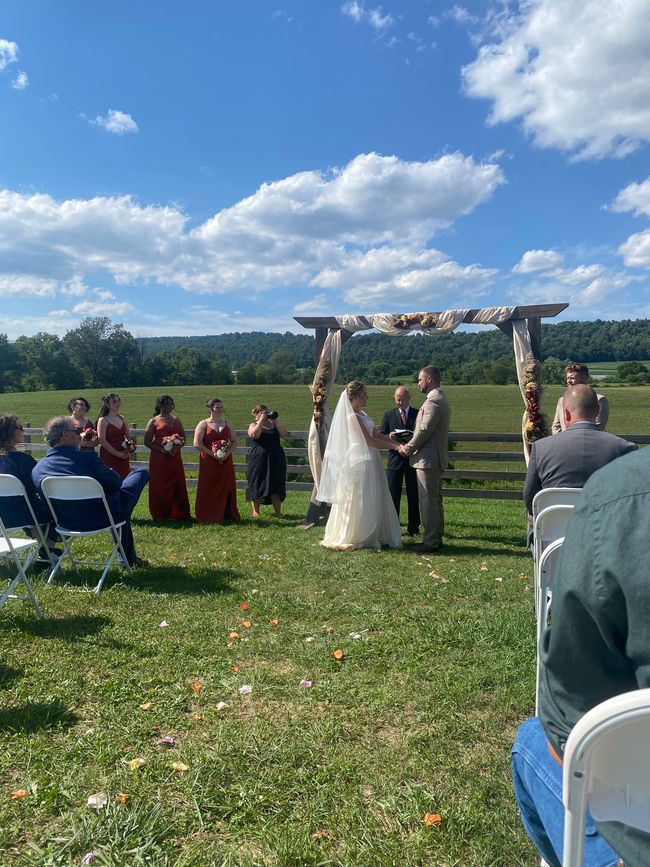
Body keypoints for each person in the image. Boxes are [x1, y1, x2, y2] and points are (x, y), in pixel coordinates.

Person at [512, 445, 650, 866]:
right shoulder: (617, 448)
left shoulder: (622, 490)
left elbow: (566, 738)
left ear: (565, 414)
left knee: (531, 742)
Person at [32, 416, 149, 567]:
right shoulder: (88, 460)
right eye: (77, 431)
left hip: (65, 522)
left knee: (115, 502)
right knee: (140, 473)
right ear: (65, 435)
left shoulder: (39, 469)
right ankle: (129, 559)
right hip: (102, 517)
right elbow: (116, 482)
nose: (80, 435)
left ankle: (129, 558)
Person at [524, 384, 635, 515]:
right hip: (603, 531)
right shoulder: (624, 448)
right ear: (597, 410)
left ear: (566, 413)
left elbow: (530, 499)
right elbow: (632, 500)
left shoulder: (541, 447)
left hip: (555, 532)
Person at [318, 380, 402, 550]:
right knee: (359, 496)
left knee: (373, 494)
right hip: (359, 460)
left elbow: (377, 434)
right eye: (364, 395)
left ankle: (375, 530)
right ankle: (357, 532)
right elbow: (369, 441)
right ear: (355, 396)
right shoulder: (351, 417)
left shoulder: (363, 414)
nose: (367, 397)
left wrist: (397, 442)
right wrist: (395, 447)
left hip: (371, 459)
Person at [398, 366, 450, 553]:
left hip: (428, 460)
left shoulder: (434, 401)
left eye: (420, 379)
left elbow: (424, 430)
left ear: (429, 380)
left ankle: (431, 541)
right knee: (434, 500)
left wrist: (408, 448)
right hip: (431, 458)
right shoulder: (436, 400)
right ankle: (436, 536)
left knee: (428, 501)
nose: (418, 383)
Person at [0, 412, 58, 555]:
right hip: (26, 514)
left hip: (3, 517)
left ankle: (45, 551)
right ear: (9, 433)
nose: (23, 430)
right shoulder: (23, 461)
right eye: (19, 427)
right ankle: (47, 549)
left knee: (30, 507)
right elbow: (39, 488)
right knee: (58, 508)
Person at [380, 386, 420, 536]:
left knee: (413, 495)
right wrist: (388, 436)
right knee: (393, 496)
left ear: (409, 398)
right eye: (397, 399)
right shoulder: (388, 415)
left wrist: (413, 438)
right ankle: (393, 527)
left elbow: (422, 433)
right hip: (394, 461)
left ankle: (414, 528)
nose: (400, 402)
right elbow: (381, 434)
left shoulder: (417, 414)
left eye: (403, 399)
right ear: (394, 398)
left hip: (412, 460)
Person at [193, 397, 240, 524]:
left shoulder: (227, 423)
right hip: (208, 461)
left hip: (225, 461)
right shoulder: (203, 424)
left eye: (221, 407)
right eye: (217, 407)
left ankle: (226, 513)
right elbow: (197, 443)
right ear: (210, 409)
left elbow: (234, 441)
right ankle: (207, 515)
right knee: (208, 487)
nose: (220, 409)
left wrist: (227, 454)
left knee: (226, 485)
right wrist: (213, 455)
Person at [144, 395, 191, 521]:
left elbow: (183, 438)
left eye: (169, 404)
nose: (167, 407)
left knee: (178, 483)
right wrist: (162, 450)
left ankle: (180, 512)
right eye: (164, 404)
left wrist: (176, 447)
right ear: (159, 406)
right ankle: (160, 514)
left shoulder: (176, 420)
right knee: (160, 485)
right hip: (159, 459)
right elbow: (147, 441)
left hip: (175, 457)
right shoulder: (153, 421)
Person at [246, 404, 289, 518]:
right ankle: (256, 511)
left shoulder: (273, 424)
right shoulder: (253, 425)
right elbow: (254, 435)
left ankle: (278, 512)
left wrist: (275, 421)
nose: (264, 414)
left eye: (266, 412)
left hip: (275, 458)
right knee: (257, 482)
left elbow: (284, 434)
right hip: (258, 459)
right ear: (256, 414)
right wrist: (260, 421)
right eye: (261, 412)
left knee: (275, 483)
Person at [552, 363, 608, 433]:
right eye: (567, 378)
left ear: (584, 379)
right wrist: (560, 442)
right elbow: (556, 426)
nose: (569, 381)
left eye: (572, 378)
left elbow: (598, 427)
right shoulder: (562, 400)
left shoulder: (599, 400)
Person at [97, 393, 132, 480]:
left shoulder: (122, 418)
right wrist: (117, 453)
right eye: (114, 401)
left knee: (124, 480)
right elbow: (102, 440)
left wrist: (128, 449)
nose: (118, 403)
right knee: (111, 480)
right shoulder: (103, 420)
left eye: (118, 401)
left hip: (123, 455)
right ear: (108, 405)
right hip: (109, 455)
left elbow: (128, 437)